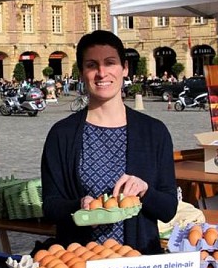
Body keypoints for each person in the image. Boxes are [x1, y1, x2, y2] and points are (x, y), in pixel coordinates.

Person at [40, 30, 178, 255]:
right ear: (82, 72)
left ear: (124, 68)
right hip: (80, 265)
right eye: (92, 65)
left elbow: (168, 208)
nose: (101, 72)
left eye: (110, 63)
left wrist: (145, 190)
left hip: (139, 261)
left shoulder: (154, 132)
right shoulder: (62, 135)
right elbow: (51, 205)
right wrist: (79, 207)